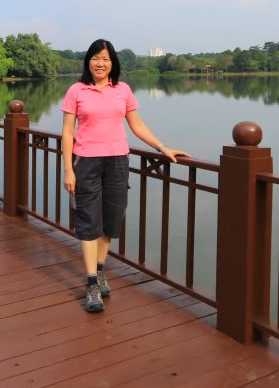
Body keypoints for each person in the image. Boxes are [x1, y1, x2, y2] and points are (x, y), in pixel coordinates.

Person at [61, 39, 189, 313]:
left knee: (112, 218)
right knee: (87, 220)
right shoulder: (76, 90)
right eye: (96, 58)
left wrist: (163, 148)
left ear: (113, 63)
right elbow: (68, 132)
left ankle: (100, 269)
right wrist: (68, 169)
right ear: (88, 62)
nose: (100, 63)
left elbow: (137, 125)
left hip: (118, 161)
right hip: (86, 163)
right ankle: (91, 283)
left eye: (106, 59)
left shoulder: (123, 90)